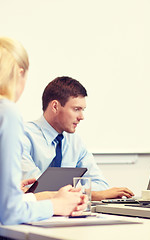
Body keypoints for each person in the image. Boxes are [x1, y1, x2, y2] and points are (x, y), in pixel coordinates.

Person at [0, 37, 87, 225]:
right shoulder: (7, 112)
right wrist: (56, 205)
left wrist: (24, 197)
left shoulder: (75, 141)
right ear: (19, 73)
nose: (81, 117)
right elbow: (9, 212)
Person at [21, 76, 134, 201]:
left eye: (83, 110)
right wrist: (91, 194)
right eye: (76, 109)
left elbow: (100, 185)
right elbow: (35, 189)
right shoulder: (22, 136)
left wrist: (83, 192)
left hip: (67, 216)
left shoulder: (75, 141)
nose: (81, 117)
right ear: (55, 106)